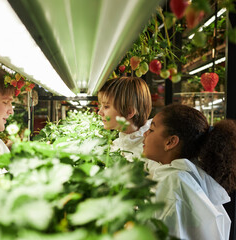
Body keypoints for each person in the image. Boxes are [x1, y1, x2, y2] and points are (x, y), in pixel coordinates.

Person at [143, 104, 235, 240]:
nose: (144, 134)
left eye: (151, 129)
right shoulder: (182, 176)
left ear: (170, 142)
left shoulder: (174, 182)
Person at [98, 76, 152, 160]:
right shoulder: (117, 144)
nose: (99, 112)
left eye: (106, 106)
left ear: (129, 112)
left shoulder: (148, 152)